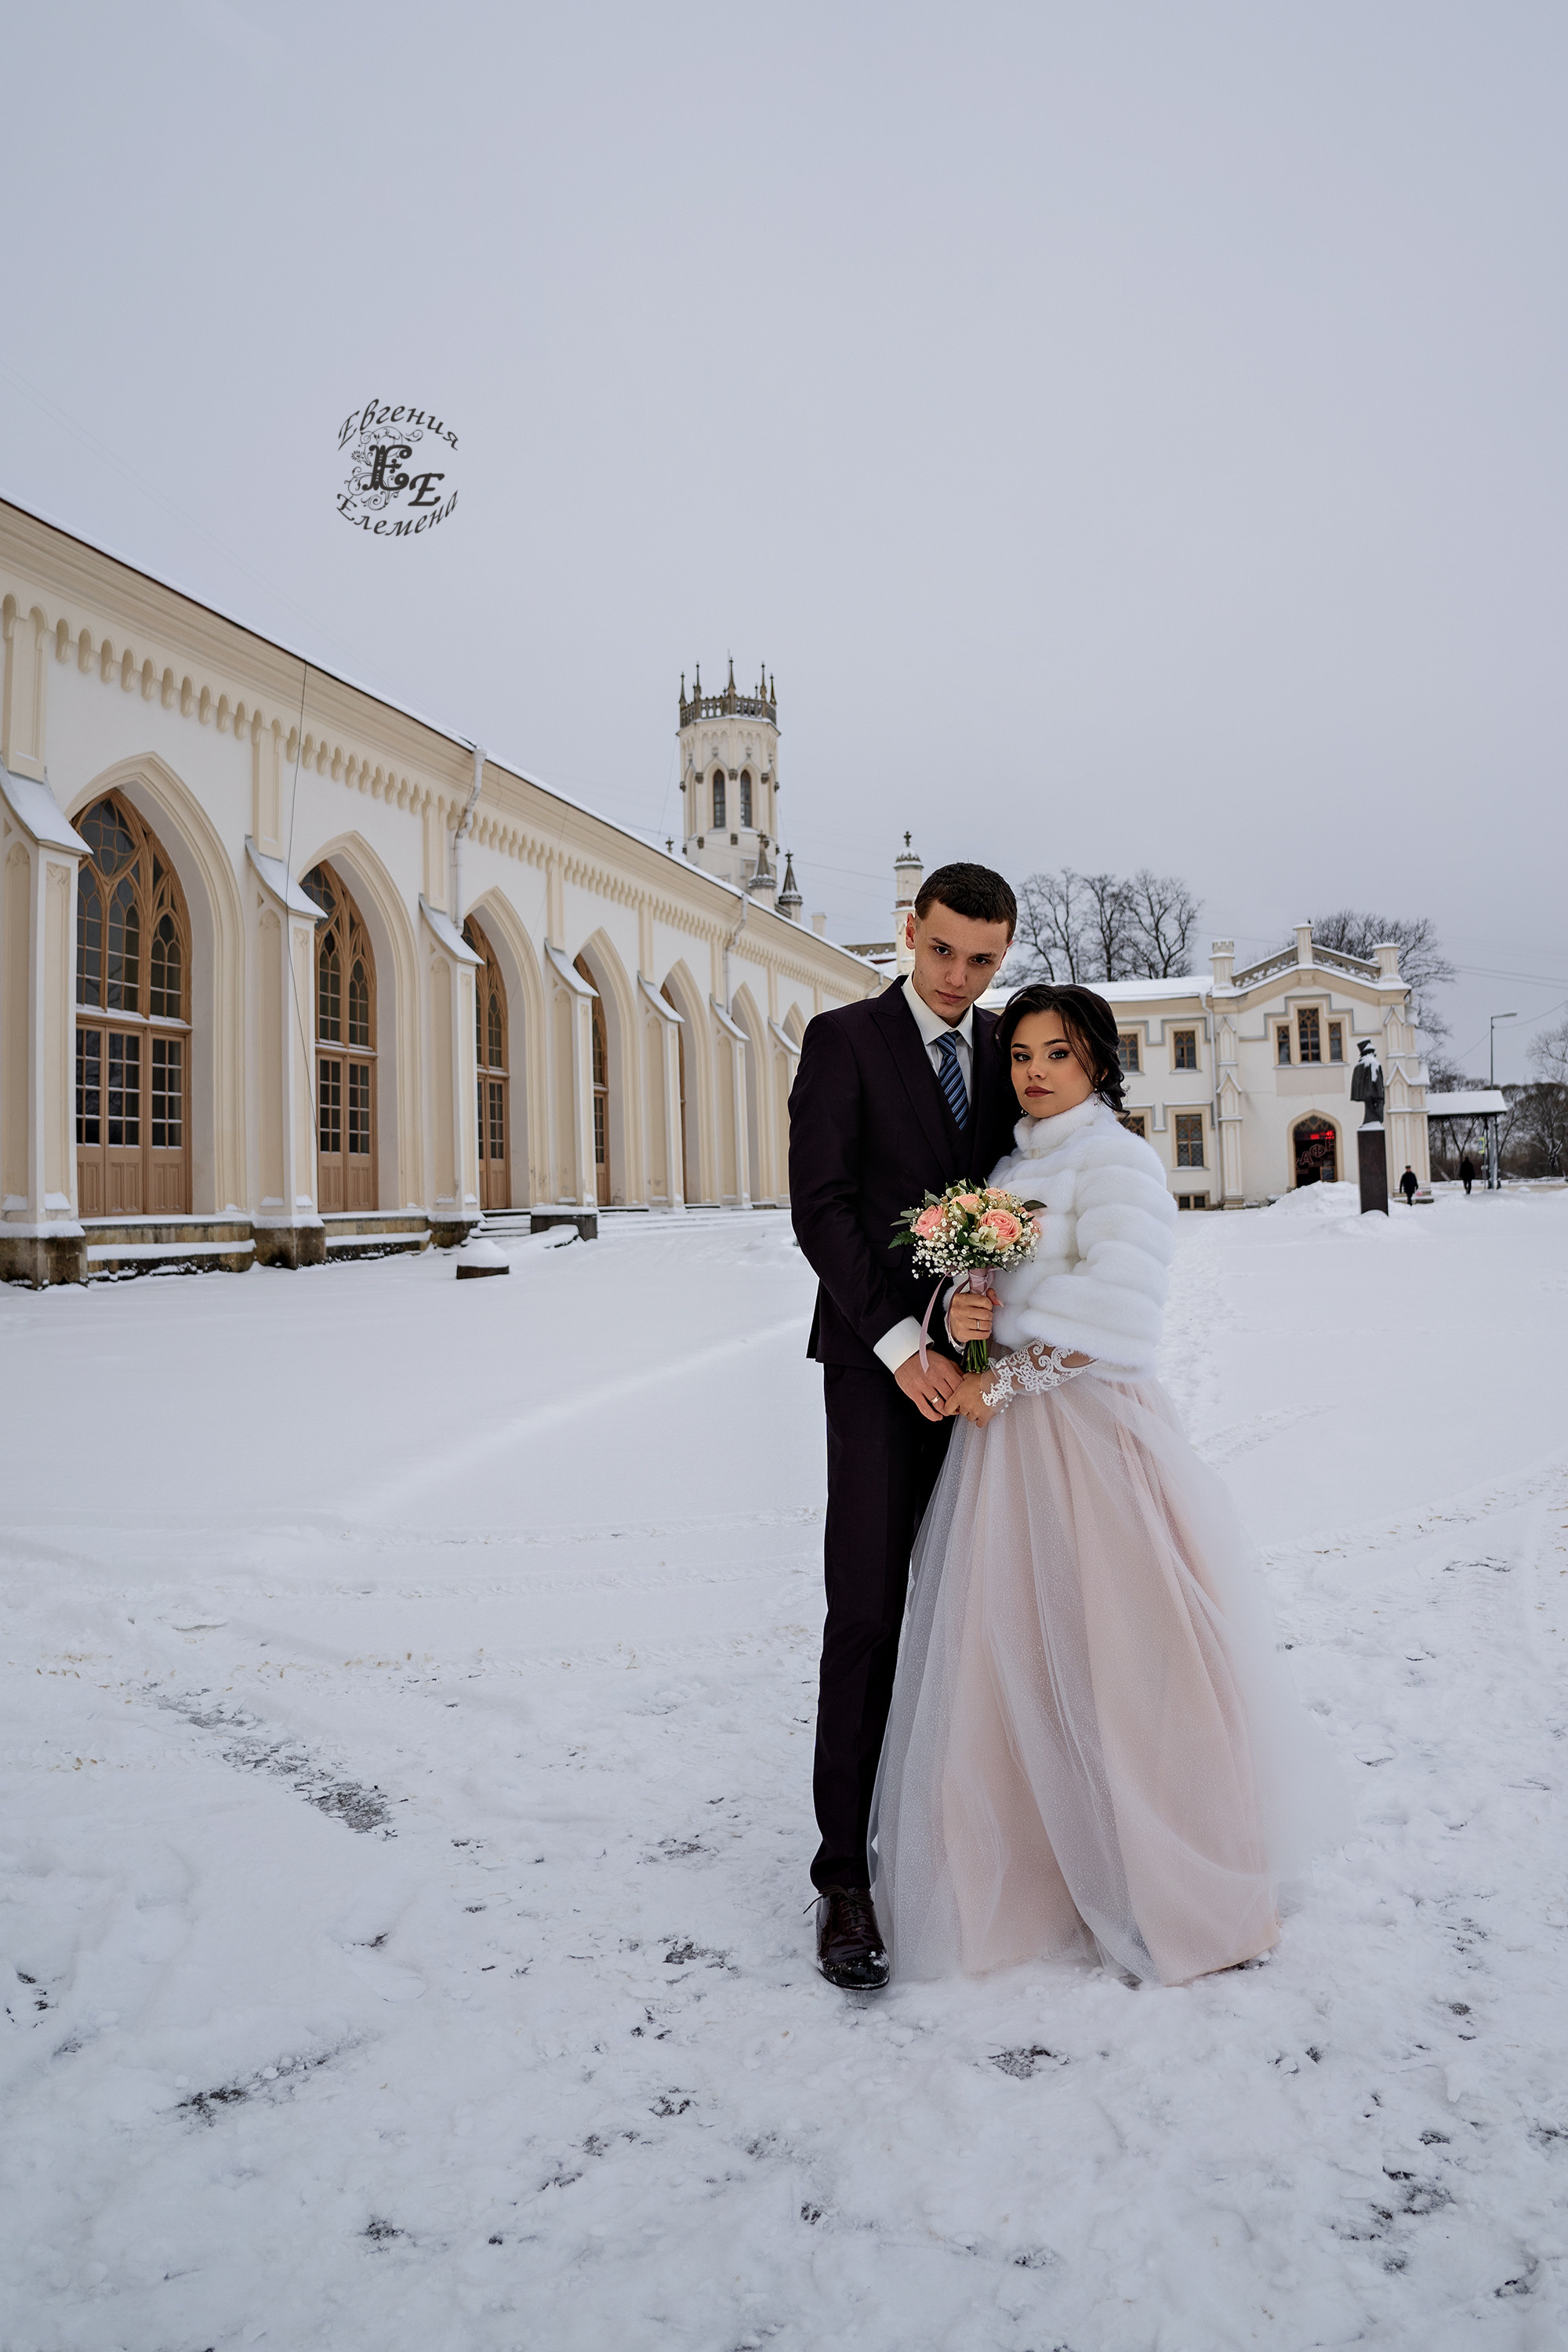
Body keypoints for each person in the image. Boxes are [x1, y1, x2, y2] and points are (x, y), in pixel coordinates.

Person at [872, 983, 1348, 1987]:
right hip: (1004, 1444)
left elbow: (1120, 1318)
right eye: (1020, 1056)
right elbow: (1000, 1293)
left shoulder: (1118, 1162)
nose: (1034, 1071)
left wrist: (1007, 1375)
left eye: (1057, 1053)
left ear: (1095, 1060)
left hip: (1085, 1431)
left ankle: (1174, 1878)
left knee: (1133, 1652)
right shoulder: (1009, 1164)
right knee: (1010, 1647)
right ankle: (1042, 1875)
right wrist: (967, 1313)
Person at [789, 863, 1021, 1990]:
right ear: (909, 933)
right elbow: (822, 1211)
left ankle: (961, 1835)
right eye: (943, 952)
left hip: (985, 1379)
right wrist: (900, 1346)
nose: (959, 978)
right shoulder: (844, 1041)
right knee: (870, 1616)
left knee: (979, 1610)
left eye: (983, 960)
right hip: (878, 1372)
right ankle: (845, 1879)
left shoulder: (1006, 1054)